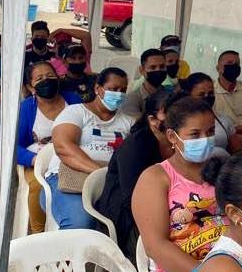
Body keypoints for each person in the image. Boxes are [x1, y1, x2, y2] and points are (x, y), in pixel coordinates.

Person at [132, 97, 227, 271]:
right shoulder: (155, 178)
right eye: (195, 134)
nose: (205, 139)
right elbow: (156, 246)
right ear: (172, 136)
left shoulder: (222, 167)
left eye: (210, 131)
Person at [41, 67, 133, 229]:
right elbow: (63, 148)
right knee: (80, 222)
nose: (118, 94)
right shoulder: (76, 112)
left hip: (112, 183)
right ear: (98, 88)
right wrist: (100, 173)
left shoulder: (129, 122)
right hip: (70, 179)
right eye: (113, 89)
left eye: (123, 90)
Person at [95, 90, 174, 263]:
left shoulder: (179, 143)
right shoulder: (135, 147)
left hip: (170, 209)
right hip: (129, 217)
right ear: (153, 120)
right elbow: (132, 200)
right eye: (170, 117)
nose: (177, 121)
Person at [17, 61, 81, 233]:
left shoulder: (73, 101)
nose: (46, 81)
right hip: (36, 161)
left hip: (70, 158)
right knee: (38, 185)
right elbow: (14, 147)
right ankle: (37, 233)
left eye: (50, 76)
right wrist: (33, 160)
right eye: (39, 79)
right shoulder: (26, 109)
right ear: (30, 87)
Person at [182, 72, 241, 154]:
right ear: (189, 96)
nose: (207, 97)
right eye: (201, 94)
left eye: (210, 93)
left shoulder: (224, 121)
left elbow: (237, 152)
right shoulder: (180, 122)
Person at [122, 48, 167, 118]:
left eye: (162, 67)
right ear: (142, 70)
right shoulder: (131, 99)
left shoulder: (170, 95)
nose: (158, 70)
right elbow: (137, 123)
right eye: (153, 67)